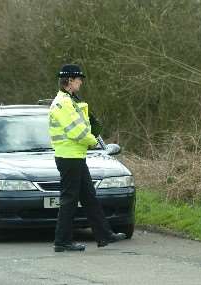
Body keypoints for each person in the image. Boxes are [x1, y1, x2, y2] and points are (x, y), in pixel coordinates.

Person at [48, 64, 126, 252]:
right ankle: (62, 241)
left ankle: (104, 235)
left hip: (74, 156)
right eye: (78, 79)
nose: (81, 82)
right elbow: (76, 131)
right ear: (69, 81)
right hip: (69, 157)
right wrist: (95, 142)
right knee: (69, 199)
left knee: (89, 197)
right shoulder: (64, 103)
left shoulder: (68, 100)